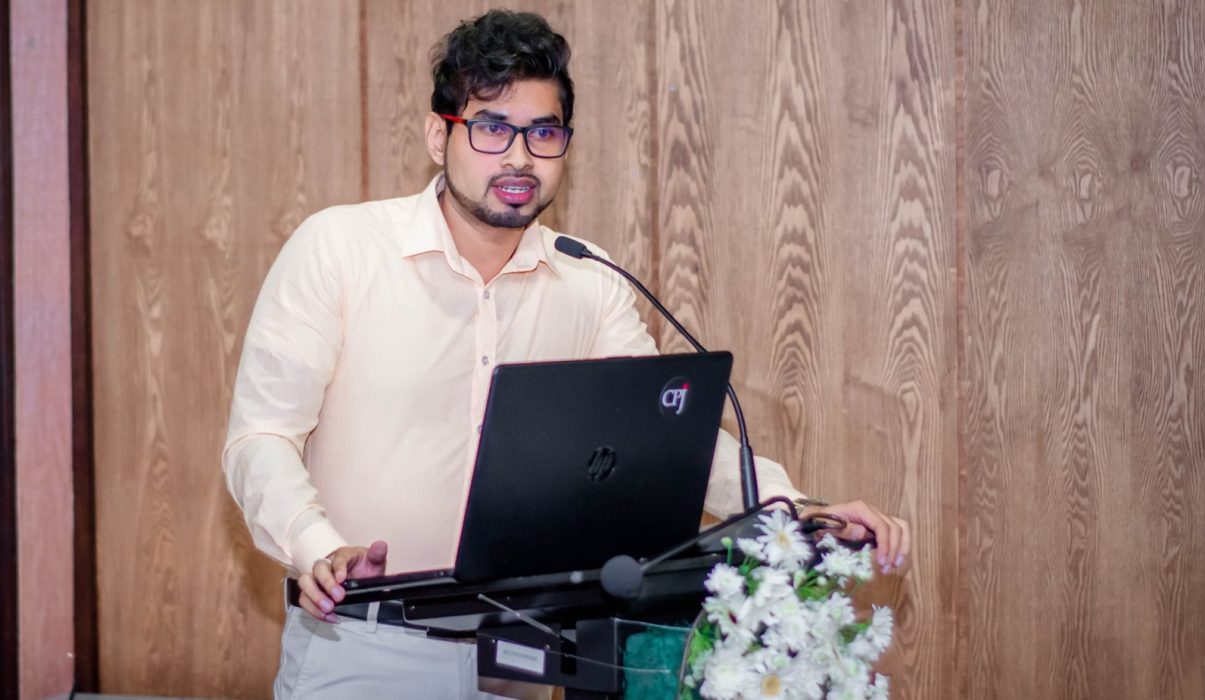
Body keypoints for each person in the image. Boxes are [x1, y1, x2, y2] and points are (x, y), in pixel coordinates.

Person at [222, 10, 911, 699]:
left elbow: (668, 441)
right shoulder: (340, 250)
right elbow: (261, 437)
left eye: (544, 133)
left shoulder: (587, 280)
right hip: (361, 641)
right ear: (438, 134)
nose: (520, 158)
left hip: (523, 650)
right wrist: (318, 548)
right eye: (492, 128)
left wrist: (797, 510)